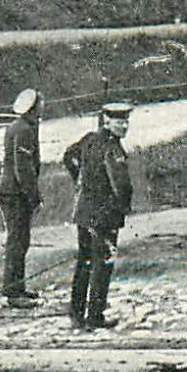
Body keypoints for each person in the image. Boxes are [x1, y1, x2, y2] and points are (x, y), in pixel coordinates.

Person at [63, 103, 135, 331]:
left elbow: (69, 157)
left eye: (126, 122)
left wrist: (80, 182)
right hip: (104, 216)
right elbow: (122, 186)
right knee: (103, 265)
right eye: (119, 122)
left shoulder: (88, 139)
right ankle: (95, 317)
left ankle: (76, 314)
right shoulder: (112, 148)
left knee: (84, 263)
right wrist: (122, 208)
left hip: (83, 212)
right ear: (106, 121)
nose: (124, 126)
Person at [0, 88, 43, 309]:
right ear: (34, 107)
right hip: (15, 194)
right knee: (18, 242)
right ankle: (14, 292)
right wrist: (33, 196)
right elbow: (23, 168)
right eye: (40, 103)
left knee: (19, 241)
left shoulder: (19, 127)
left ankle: (17, 287)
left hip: (11, 192)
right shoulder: (24, 130)